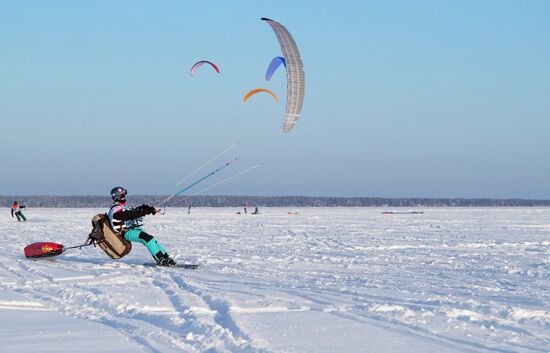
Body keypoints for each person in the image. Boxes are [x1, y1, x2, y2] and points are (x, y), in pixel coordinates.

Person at [107, 186, 176, 266]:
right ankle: (160, 259)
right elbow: (129, 215)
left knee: (151, 239)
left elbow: (133, 211)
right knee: (147, 238)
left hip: (133, 229)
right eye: (123, 195)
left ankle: (165, 257)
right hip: (125, 232)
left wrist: (145, 209)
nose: (124, 197)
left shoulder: (120, 207)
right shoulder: (115, 210)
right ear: (119, 197)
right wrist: (144, 211)